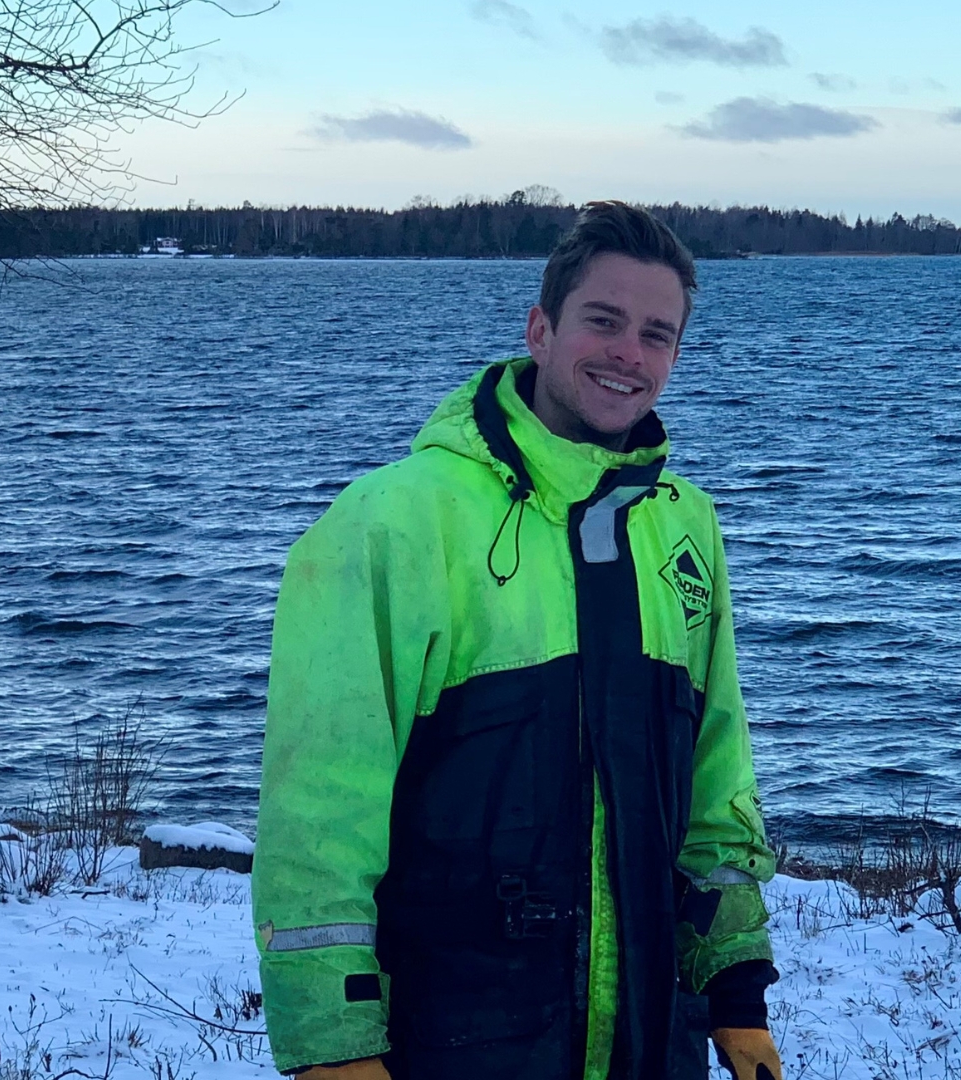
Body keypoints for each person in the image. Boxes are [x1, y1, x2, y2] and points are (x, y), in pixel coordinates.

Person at [252, 201, 782, 1080]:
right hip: (455, 1041)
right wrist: (332, 1044)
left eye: (657, 334)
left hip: (655, 1038)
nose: (628, 354)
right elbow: (319, 804)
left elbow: (717, 771)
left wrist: (733, 984)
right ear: (539, 330)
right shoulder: (394, 520)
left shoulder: (686, 526)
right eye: (602, 321)